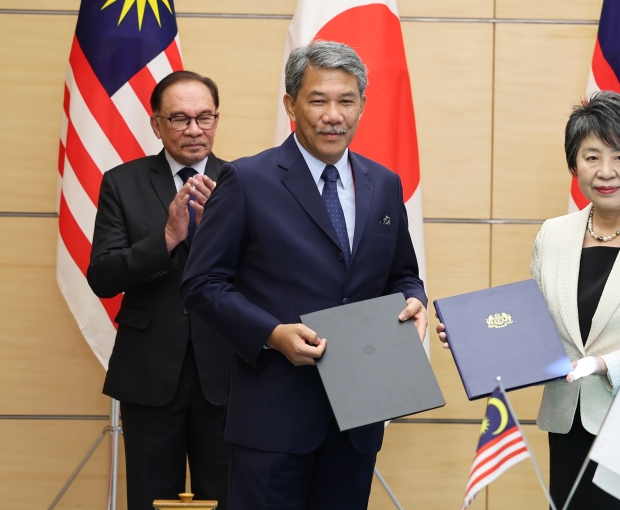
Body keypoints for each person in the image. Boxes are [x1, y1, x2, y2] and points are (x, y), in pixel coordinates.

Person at [180, 41, 427, 510]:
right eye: (318, 100)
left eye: (346, 100)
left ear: (362, 106)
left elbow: (403, 275)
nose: (333, 115)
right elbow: (201, 284)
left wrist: (415, 301)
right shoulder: (247, 179)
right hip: (274, 415)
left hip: (358, 414)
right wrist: (271, 334)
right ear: (292, 104)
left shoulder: (385, 184)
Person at [438, 91, 620, 510]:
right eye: (592, 156)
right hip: (571, 425)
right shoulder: (553, 235)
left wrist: (602, 364)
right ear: (573, 165)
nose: (606, 171)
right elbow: (537, 331)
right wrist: (476, 340)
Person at [88, 71, 231, 510]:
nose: (194, 129)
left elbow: (265, 276)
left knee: (231, 496)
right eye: (180, 118)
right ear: (156, 124)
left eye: (204, 117)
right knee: (150, 497)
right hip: (150, 370)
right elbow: (104, 276)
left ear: (216, 119)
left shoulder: (245, 182)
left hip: (227, 370)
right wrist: (167, 237)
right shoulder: (122, 182)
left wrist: (215, 238)